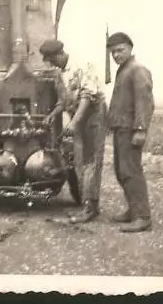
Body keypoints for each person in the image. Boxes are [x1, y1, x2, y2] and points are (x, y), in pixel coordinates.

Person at [39, 39, 107, 224]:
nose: (51, 64)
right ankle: (88, 205)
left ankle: (90, 209)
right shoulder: (60, 72)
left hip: (93, 114)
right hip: (77, 115)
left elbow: (87, 97)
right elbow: (64, 99)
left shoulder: (83, 64)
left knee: (92, 161)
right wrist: (54, 114)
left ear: (61, 54)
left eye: (52, 59)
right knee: (80, 161)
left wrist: (74, 122)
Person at [106, 32, 155, 233]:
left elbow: (145, 102)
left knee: (131, 172)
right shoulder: (124, 70)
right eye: (113, 52)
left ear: (130, 48)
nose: (116, 55)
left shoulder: (138, 70)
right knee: (121, 171)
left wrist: (140, 129)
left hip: (131, 131)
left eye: (120, 50)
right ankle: (133, 210)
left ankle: (143, 217)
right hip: (122, 130)